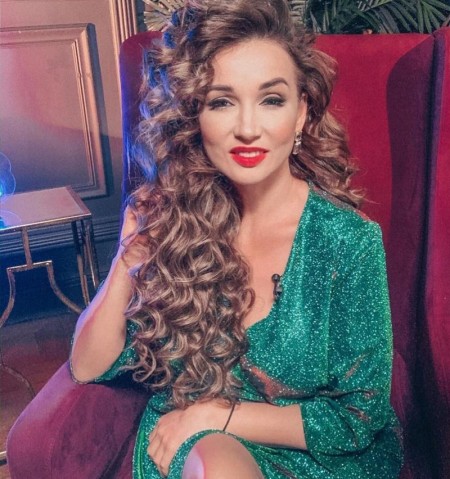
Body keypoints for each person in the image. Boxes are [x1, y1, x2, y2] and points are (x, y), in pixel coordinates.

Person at [70, 0, 403, 477]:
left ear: (301, 113)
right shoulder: (176, 225)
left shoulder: (349, 242)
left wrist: (214, 414)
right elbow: (87, 366)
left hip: (322, 458)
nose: (248, 128)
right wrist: (128, 258)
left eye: (272, 100)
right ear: (195, 115)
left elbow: (359, 418)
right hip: (200, 449)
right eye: (221, 101)